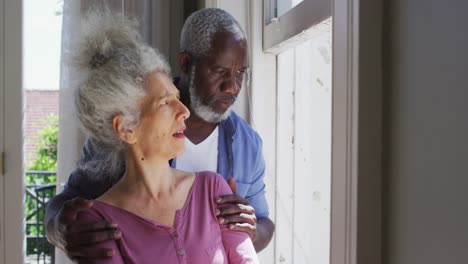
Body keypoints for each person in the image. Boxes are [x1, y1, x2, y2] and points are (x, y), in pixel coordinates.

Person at [45, 8, 275, 260]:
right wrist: (59, 229)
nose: (232, 86)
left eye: (240, 72)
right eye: (220, 71)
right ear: (186, 63)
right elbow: (66, 203)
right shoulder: (115, 135)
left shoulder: (245, 147)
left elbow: (263, 223)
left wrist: (247, 228)